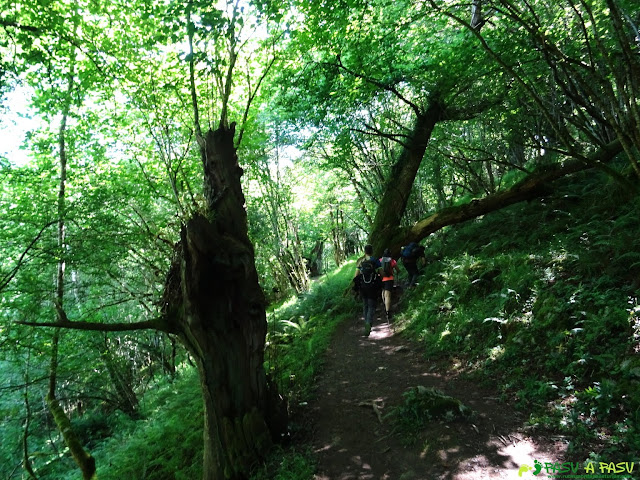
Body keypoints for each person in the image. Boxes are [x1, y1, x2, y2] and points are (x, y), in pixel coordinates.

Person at [353, 244, 382, 337]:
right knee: (371, 306)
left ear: (364, 251)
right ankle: (368, 323)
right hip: (372, 286)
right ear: (372, 251)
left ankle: (366, 322)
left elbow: (356, 276)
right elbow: (381, 273)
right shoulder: (375, 260)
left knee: (365, 305)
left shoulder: (360, 261)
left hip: (363, 286)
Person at [379, 248, 399, 320]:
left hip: (381, 279)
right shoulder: (392, 261)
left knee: (383, 292)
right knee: (388, 295)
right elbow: (397, 269)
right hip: (389, 279)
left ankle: (385, 306)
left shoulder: (380, 260)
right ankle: (388, 312)